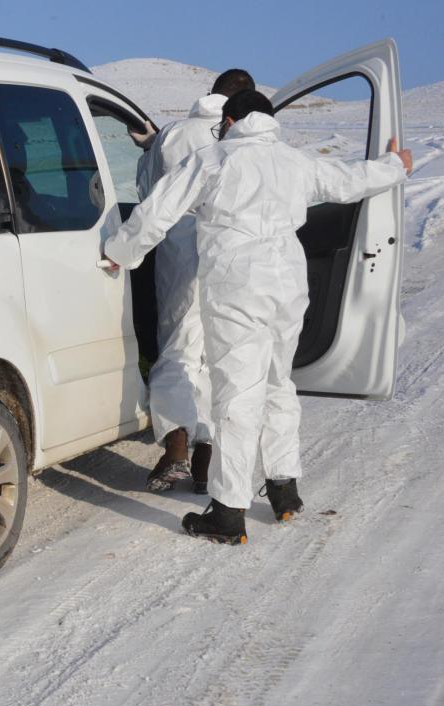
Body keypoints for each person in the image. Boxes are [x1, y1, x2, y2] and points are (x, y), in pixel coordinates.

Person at [103, 91, 411, 544]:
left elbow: (157, 212)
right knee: (278, 382)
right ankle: (285, 490)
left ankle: (228, 513)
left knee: (236, 394)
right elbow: (350, 180)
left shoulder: (213, 159)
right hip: (288, 286)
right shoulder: (294, 161)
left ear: (229, 121)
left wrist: (119, 252)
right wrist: (395, 165)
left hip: (237, 287)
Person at [130, 69, 255, 495]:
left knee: (177, 351)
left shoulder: (175, 133)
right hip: (230, 256)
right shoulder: (247, 141)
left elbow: (149, 192)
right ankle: (205, 464)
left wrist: (150, 148)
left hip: (180, 253)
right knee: (217, 357)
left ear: (210, 93)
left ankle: (176, 446)